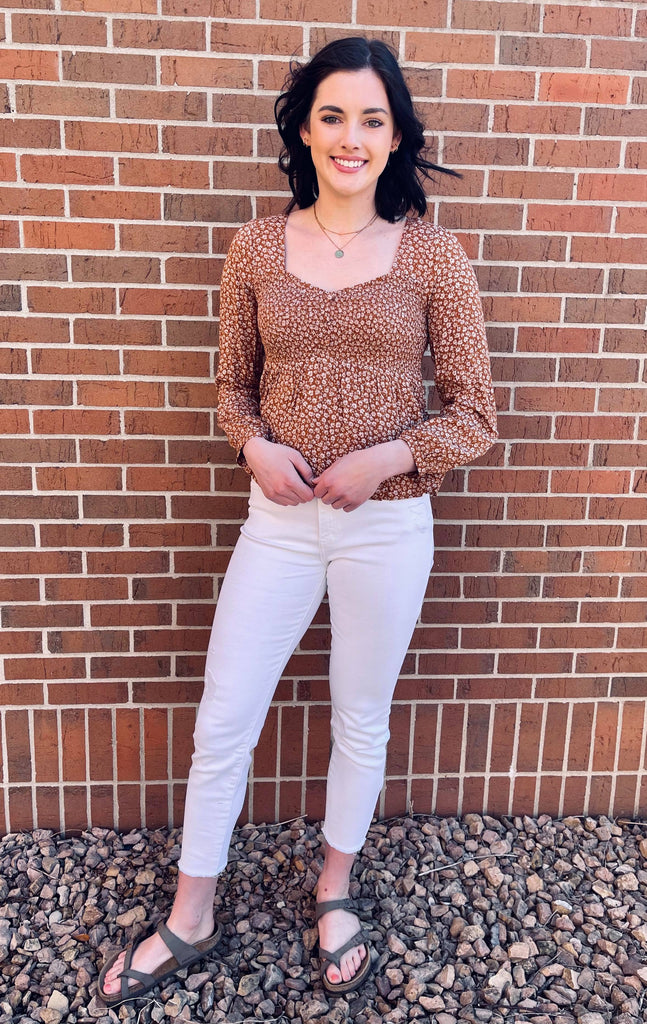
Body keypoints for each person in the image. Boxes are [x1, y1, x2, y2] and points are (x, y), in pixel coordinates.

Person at [98, 35, 498, 1006]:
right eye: (332, 116)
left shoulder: (433, 256)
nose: (350, 136)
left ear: (394, 136)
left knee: (359, 716)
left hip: (386, 530)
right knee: (224, 717)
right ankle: (191, 912)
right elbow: (230, 389)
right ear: (305, 132)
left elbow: (474, 415)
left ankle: (334, 889)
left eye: (371, 118)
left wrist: (386, 458)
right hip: (274, 526)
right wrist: (251, 447)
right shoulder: (253, 248)